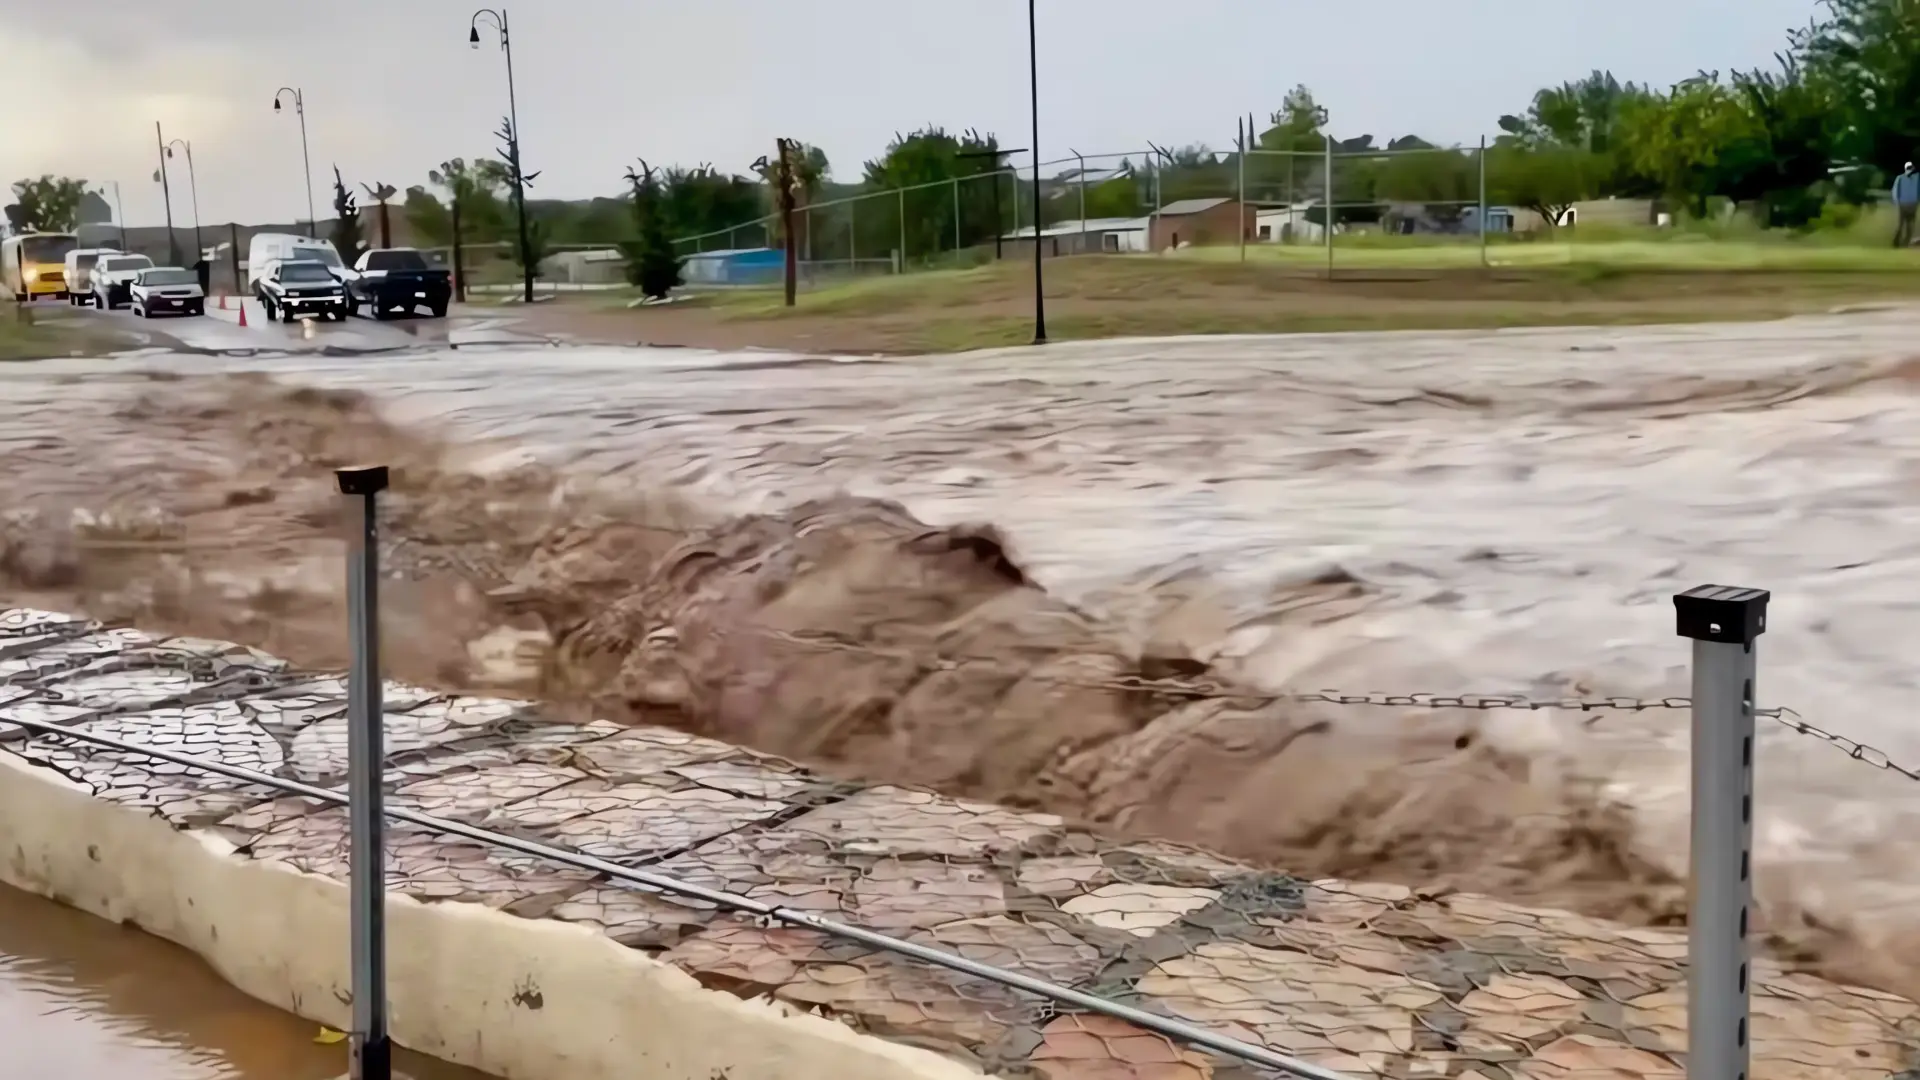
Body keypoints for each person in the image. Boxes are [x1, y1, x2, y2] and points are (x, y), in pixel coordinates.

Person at [1894, 162, 1920, 248]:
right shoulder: (1901, 178)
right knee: (1902, 225)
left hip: (1912, 204)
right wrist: (1897, 201)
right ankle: (1898, 242)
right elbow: (1895, 190)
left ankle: (1904, 243)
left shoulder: (1916, 178)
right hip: (1905, 204)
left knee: (1909, 225)